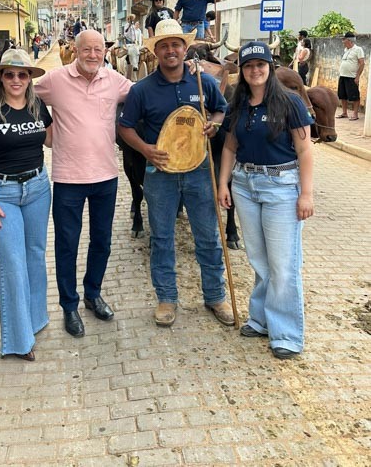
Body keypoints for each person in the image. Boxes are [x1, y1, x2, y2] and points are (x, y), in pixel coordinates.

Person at [0, 30, 132, 338]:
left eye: (98, 49)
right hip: (68, 178)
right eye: (86, 49)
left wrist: (193, 71)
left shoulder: (115, 80)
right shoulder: (55, 80)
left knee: (102, 241)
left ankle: (93, 293)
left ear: (105, 52)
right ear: (75, 50)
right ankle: (69, 305)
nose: (93, 55)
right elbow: (16, 94)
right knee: (67, 244)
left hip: (106, 177)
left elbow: (145, 92)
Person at [118, 19, 234, 329]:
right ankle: (167, 299)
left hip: (200, 172)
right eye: (164, 46)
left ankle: (215, 297)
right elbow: (125, 127)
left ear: (185, 49)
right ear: (155, 51)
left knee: (208, 237)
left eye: (176, 45)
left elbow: (221, 109)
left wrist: (215, 124)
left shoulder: (203, 82)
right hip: (160, 175)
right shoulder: (141, 90)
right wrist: (145, 149)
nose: (170, 50)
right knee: (162, 239)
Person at [218, 41, 314, 360]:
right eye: (248, 66)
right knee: (259, 259)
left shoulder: (290, 103)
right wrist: (223, 183)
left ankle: (286, 334)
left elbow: (305, 150)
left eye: (260, 65)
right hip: (245, 185)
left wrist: (306, 194)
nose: (255, 70)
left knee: (283, 264)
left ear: (270, 68)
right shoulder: (238, 104)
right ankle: (260, 320)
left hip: (282, 187)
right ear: (242, 71)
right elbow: (229, 147)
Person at [0, 49, 52, 361]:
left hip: (37, 188)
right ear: (1, 78)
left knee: (36, 256)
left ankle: (35, 319)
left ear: (29, 78)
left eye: (22, 74)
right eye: (9, 74)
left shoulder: (38, 106)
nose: (16, 79)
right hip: (1, 193)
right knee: (13, 264)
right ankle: (18, 341)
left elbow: (51, 140)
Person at [337, 31, 365, 120]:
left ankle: (355, 114)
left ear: (349, 40)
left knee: (354, 96)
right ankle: (344, 113)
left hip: (352, 77)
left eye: (344, 39)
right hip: (343, 76)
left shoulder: (358, 49)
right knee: (342, 95)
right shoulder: (346, 50)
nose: (342, 41)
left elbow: (362, 63)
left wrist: (357, 76)